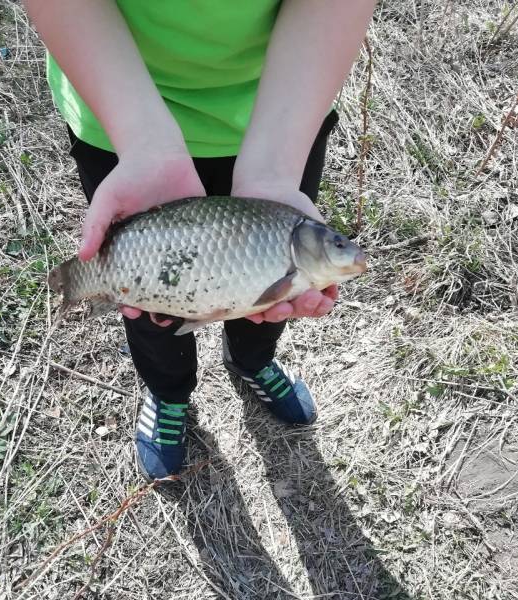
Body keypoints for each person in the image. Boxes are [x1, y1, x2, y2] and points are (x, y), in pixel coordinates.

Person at [23, 1, 376, 481]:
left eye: (337, 245)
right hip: (114, 109)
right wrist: (144, 141)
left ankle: (254, 359)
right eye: (337, 246)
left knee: (271, 302)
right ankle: (168, 392)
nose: (346, 251)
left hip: (288, 110)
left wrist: (274, 166)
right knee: (151, 307)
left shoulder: (286, 221)